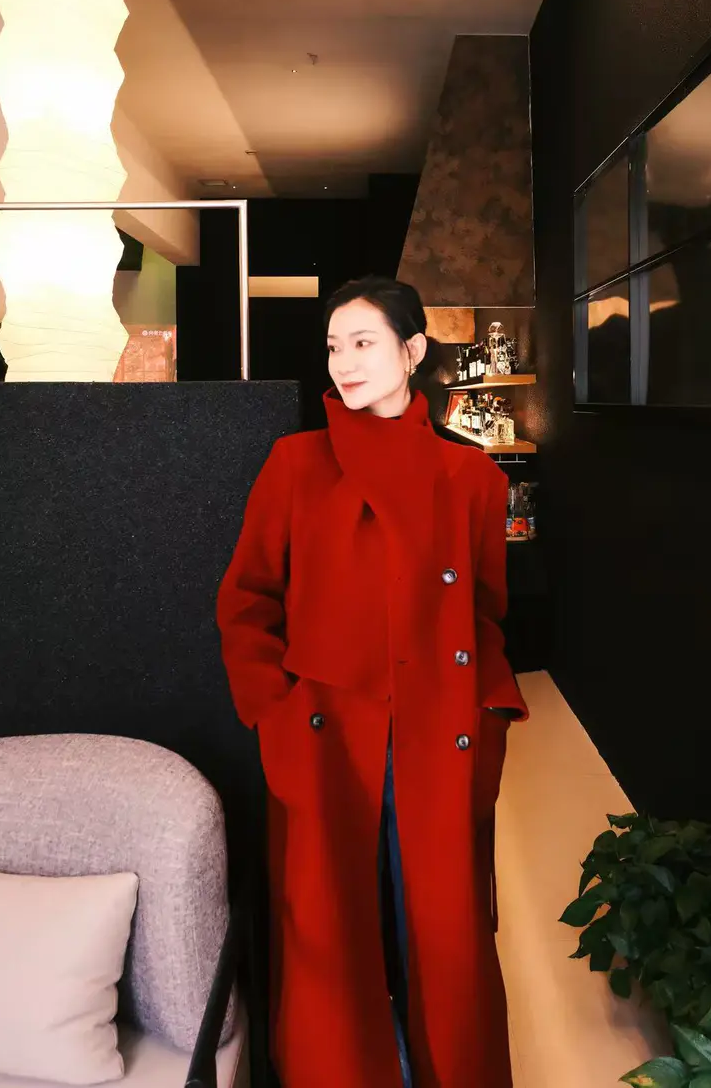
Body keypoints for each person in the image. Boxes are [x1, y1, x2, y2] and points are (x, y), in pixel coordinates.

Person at [217, 275, 528, 1088]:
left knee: (439, 943)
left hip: (436, 741)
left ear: (412, 350)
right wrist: (276, 715)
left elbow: (486, 619)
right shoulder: (296, 464)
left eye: (364, 343)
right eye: (334, 346)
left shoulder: (473, 478)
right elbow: (247, 602)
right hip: (326, 740)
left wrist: (489, 715)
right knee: (334, 942)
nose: (344, 362)